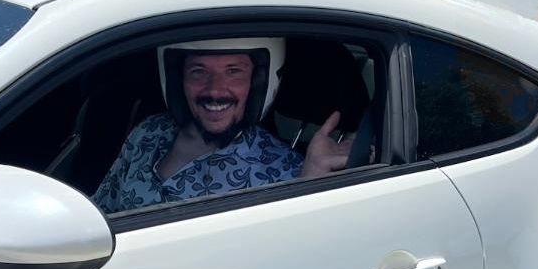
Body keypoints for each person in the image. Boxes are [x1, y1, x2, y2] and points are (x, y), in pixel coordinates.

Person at [92, 37, 353, 213]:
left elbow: (288, 253)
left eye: (233, 71)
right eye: (198, 71)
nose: (215, 90)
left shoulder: (283, 170)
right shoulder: (148, 133)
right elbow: (101, 212)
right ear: (178, 79)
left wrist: (311, 181)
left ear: (257, 82)